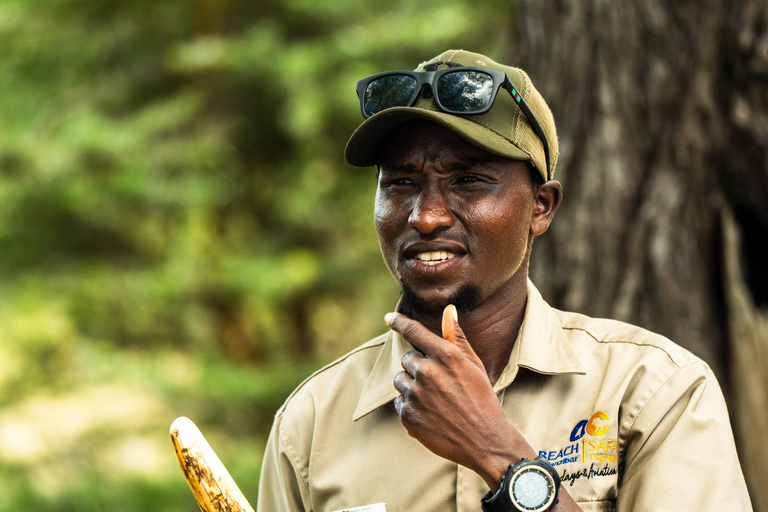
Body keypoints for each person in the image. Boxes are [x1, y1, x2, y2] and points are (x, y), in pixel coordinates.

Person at [256, 49, 752, 511]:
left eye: (468, 181)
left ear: (541, 206)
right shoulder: (311, 426)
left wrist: (498, 454)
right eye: (401, 182)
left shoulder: (654, 393)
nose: (426, 216)